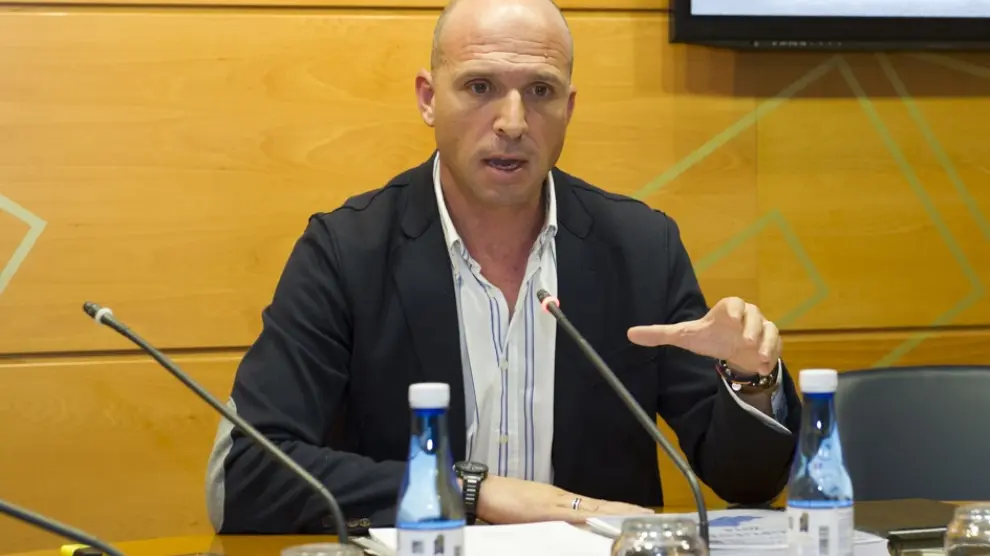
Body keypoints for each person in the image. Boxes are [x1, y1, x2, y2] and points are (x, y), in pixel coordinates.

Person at [205, 0, 802, 535]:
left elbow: (748, 483)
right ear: (428, 99)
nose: (513, 123)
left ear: (568, 108)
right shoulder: (346, 252)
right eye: (480, 86)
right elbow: (247, 475)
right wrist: (473, 492)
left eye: (540, 91)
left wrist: (751, 383)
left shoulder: (641, 248)